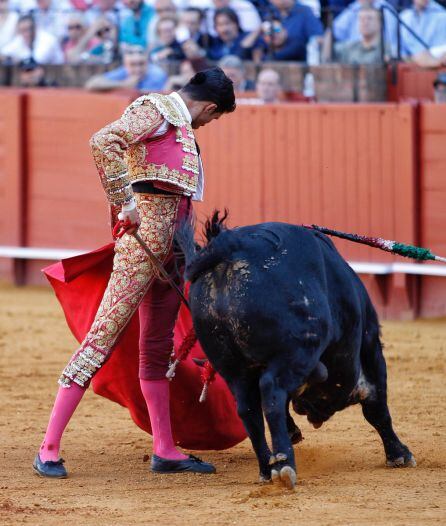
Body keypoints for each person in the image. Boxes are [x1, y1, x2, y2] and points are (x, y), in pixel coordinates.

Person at [34, 66, 236, 479]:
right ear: (211, 106)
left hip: (172, 250)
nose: (208, 124)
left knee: (157, 348)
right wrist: (124, 203)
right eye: (213, 118)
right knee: (102, 336)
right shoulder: (156, 109)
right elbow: (104, 141)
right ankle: (48, 448)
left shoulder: (176, 122)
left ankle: (165, 449)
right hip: (142, 246)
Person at [259, 0, 323, 61]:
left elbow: (317, 38)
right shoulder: (270, 12)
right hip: (273, 59)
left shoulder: (305, 11)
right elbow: (265, 36)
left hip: (299, 61)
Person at [85, 47, 167, 90]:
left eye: (141, 64)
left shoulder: (157, 74)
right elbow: (92, 84)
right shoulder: (123, 71)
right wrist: (123, 84)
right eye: (133, 65)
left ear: (148, 63)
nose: (137, 69)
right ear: (126, 65)